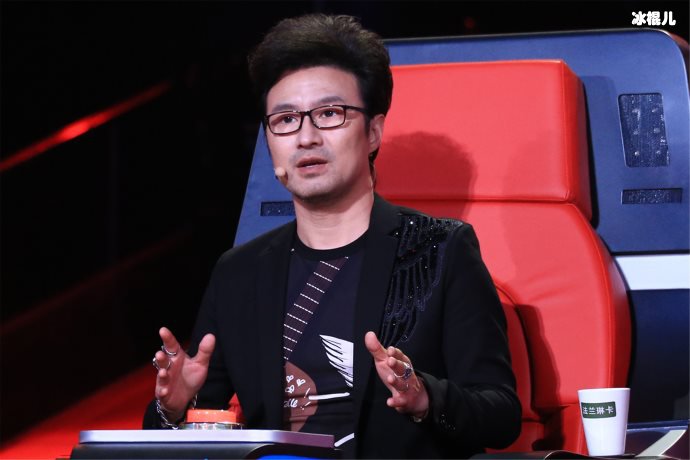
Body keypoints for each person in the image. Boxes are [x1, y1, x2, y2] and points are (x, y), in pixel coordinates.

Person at [144, 13, 521, 458]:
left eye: (329, 113)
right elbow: (194, 426)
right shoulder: (239, 273)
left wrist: (424, 397)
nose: (305, 137)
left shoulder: (440, 250)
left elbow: (500, 414)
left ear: (373, 132)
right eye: (286, 119)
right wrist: (172, 409)